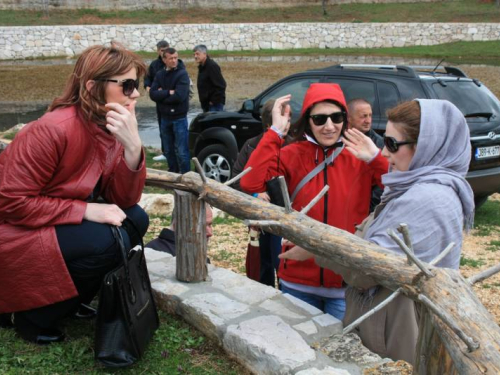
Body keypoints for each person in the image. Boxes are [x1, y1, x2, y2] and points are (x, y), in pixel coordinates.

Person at [280, 99, 475, 365]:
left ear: (426, 146)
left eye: (393, 144)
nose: (383, 152)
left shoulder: (427, 200)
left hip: (399, 336)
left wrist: (315, 248)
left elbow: (368, 271)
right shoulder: (415, 187)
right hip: (390, 325)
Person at [0, 44, 149, 344]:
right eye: (128, 85)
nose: (136, 94)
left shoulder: (107, 127)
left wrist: (133, 148)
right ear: (93, 87)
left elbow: (125, 201)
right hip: (14, 232)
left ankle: (67, 301)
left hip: (48, 222)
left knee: (135, 220)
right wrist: (84, 210)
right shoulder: (52, 129)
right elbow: (10, 202)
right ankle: (29, 317)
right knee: (105, 239)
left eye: (138, 85)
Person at [240, 83, 389, 320]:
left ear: (345, 119)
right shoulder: (292, 154)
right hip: (297, 280)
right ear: (308, 120)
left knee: (341, 353)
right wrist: (275, 133)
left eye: (336, 117)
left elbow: (399, 187)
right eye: (320, 119)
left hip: (345, 282)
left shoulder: (359, 156)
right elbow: (250, 182)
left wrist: (375, 158)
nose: (329, 126)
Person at [232, 99, 283, 287]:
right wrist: (254, 194)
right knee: (263, 263)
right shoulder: (251, 146)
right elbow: (236, 179)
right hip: (259, 217)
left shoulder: (293, 146)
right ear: (270, 124)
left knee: (283, 263)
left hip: (284, 218)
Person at [150, 48, 191, 174]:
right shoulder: (159, 75)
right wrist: (168, 92)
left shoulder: (182, 74)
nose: (174, 61)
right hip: (165, 118)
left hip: (179, 117)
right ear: (164, 60)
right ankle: (173, 173)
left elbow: (180, 96)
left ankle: (186, 175)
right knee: (168, 150)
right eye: (171, 58)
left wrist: (161, 96)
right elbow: (152, 94)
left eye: (176, 58)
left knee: (182, 150)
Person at [347, 98, 384, 211]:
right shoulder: (337, 139)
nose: (368, 120)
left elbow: (381, 185)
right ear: (349, 118)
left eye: (370, 115)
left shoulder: (378, 144)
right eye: (363, 116)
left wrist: (367, 208)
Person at [145, 205, 213, 257]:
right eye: (201, 226)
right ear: (179, 225)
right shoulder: (192, 259)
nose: (210, 233)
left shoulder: (149, 248)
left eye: (209, 225)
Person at [144, 40, 170, 161]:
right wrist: (148, 88)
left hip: (173, 101)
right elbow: (147, 78)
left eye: (166, 50)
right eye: (162, 51)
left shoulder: (175, 63)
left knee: (176, 128)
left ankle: (175, 151)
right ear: (158, 51)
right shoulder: (154, 65)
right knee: (162, 127)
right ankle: (165, 152)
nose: (164, 53)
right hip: (160, 102)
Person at [193, 44, 227, 112]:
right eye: (194, 54)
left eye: (197, 54)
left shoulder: (212, 66)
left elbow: (222, 85)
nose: (195, 56)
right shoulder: (202, 67)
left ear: (204, 54)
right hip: (207, 104)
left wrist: (213, 101)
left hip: (214, 105)